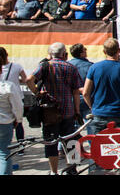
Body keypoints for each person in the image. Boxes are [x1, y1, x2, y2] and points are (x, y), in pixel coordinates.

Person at [26, 42, 83, 175]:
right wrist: (77, 110)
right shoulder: (71, 67)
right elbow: (76, 92)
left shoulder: (45, 66)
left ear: (50, 54)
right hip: (68, 110)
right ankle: (72, 169)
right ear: (64, 54)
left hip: (49, 112)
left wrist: (37, 92)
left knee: (51, 142)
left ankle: (54, 171)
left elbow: (29, 80)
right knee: (71, 141)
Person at [82, 38, 120, 133]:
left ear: (104, 51)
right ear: (118, 51)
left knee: (97, 144)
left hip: (98, 113)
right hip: (118, 113)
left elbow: (85, 92)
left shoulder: (94, 68)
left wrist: (92, 107)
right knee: (115, 145)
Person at [0, 47, 29, 156]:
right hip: (16, 96)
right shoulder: (16, 66)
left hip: (2, 98)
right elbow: (25, 79)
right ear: (7, 55)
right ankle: (20, 146)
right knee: (19, 123)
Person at [0, 58, 23, 175]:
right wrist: (18, 119)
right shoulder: (8, 86)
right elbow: (17, 106)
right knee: (4, 152)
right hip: (5, 122)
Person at [68, 43, 93, 132]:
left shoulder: (67, 65)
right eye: (85, 49)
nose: (86, 51)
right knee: (90, 126)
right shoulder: (90, 66)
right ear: (81, 53)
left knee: (72, 128)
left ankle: (71, 145)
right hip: (87, 99)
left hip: (72, 99)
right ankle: (92, 145)